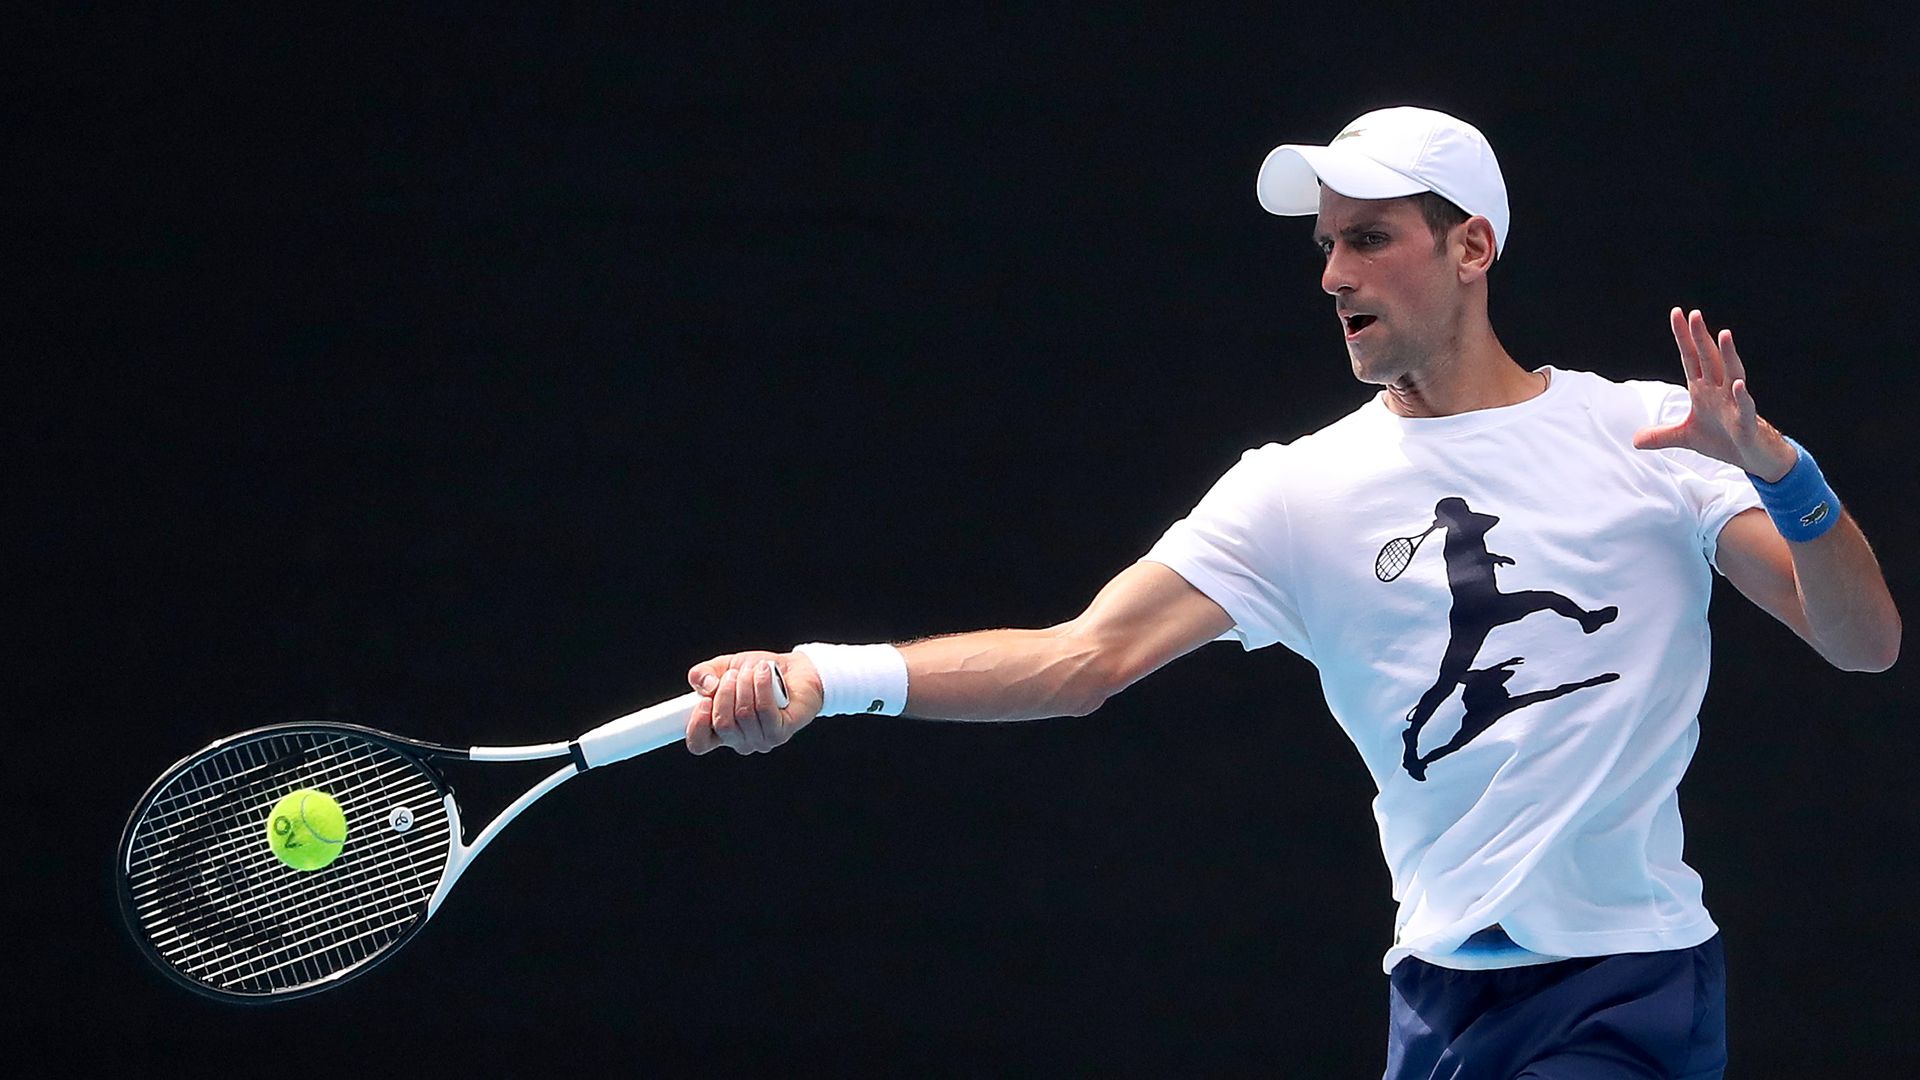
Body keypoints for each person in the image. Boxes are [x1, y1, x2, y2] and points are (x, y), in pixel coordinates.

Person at [677, 107, 1900, 1077]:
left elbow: (1863, 644)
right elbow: (1078, 660)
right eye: (1325, 243)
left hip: (1629, 988)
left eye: (1369, 237)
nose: (1330, 274)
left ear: (1472, 246)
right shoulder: (1295, 491)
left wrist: (1781, 472)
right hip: (1436, 997)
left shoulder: (1652, 436)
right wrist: (821, 679)